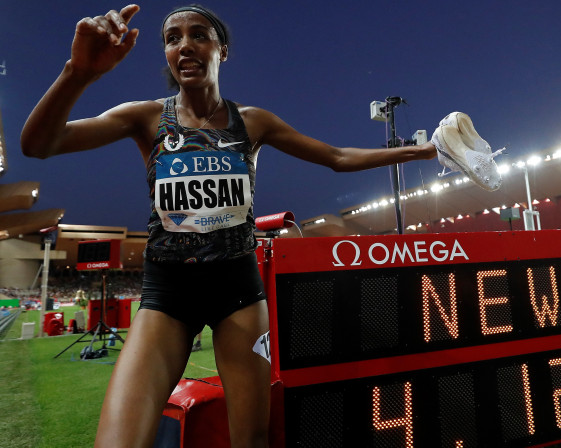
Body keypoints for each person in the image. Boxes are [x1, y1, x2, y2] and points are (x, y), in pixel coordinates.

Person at [21, 4, 435, 447]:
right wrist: (78, 73)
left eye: (199, 35)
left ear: (222, 50)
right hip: (167, 295)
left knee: (250, 440)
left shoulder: (253, 121)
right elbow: (39, 145)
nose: (185, 45)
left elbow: (336, 157)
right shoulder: (144, 117)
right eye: (172, 37)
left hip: (238, 292)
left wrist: (420, 152)